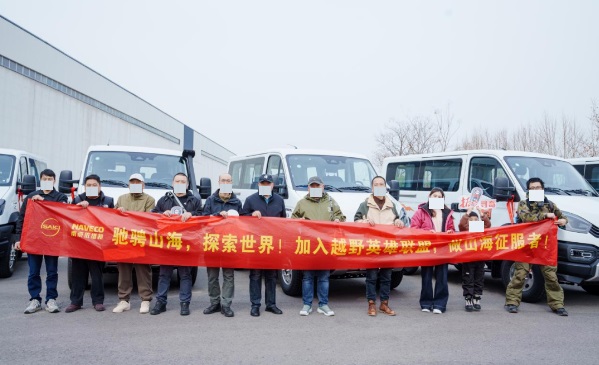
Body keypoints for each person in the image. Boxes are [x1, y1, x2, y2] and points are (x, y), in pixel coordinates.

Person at [505, 177, 569, 316]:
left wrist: (563, 220)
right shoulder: (523, 204)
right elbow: (527, 217)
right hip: (527, 245)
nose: (535, 190)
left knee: (551, 276)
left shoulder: (550, 204)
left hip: (544, 247)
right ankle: (512, 302)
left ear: (542, 188)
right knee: (520, 275)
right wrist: (545, 215)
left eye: (538, 187)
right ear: (528, 190)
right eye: (532, 188)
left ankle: (557, 304)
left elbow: (563, 217)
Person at [354, 176, 410, 316]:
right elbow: (356, 221)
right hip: (372, 246)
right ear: (372, 188)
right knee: (371, 277)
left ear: (385, 187)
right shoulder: (365, 204)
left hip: (387, 246)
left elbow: (398, 220)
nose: (379, 186)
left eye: (381, 184)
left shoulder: (392, 204)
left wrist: (398, 222)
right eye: (376, 184)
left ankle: (384, 304)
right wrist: (365, 221)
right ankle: (371, 304)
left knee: (386, 277)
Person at [15, 169, 68, 314]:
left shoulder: (60, 197)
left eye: (50, 179)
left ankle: (51, 299)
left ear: (54, 181)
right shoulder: (31, 197)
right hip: (34, 240)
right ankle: (34, 299)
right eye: (45, 178)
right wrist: (18, 239)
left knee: (52, 272)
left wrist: (44, 202)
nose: (47, 181)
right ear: (40, 180)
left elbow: (63, 211)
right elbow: (22, 218)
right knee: (33, 272)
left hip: (52, 241)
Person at [292, 176, 346, 317]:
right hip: (308, 244)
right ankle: (307, 304)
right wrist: (299, 221)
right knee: (307, 277)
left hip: (325, 244)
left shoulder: (331, 202)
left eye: (318, 186)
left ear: (323, 187)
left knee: (324, 276)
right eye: (312, 186)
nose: (315, 188)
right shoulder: (302, 203)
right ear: (308, 188)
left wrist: (337, 220)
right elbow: (292, 221)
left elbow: (342, 217)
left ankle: (323, 305)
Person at [150, 173, 202, 316]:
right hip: (168, 243)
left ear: (187, 184)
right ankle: (161, 302)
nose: (180, 183)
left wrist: (192, 215)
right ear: (172, 183)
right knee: (164, 274)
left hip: (186, 243)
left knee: (185, 274)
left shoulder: (194, 201)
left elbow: (203, 218)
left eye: (183, 181)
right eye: (177, 181)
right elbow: (152, 217)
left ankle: (185, 303)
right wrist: (162, 213)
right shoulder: (164, 199)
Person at [66, 174, 114, 313]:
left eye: (94, 185)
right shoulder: (77, 200)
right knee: (78, 274)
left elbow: (113, 221)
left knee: (97, 275)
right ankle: (75, 302)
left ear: (99, 187)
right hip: (80, 244)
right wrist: (77, 208)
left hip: (98, 245)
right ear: (85, 187)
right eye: (89, 185)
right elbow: (69, 218)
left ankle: (98, 301)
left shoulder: (108, 201)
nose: (92, 187)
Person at [241, 173, 286, 317]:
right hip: (256, 243)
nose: (265, 186)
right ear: (258, 185)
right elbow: (241, 220)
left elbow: (284, 222)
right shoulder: (250, 200)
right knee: (255, 275)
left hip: (272, 244)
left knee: (272, 276)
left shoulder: (279, 200)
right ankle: (255, 305)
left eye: (268, 183)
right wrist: (251, 215)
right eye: (263, 183)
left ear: (272, 185)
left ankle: (271, 304)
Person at [112, 173, 156, 314]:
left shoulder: (149, 200)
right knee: (123, 270)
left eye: (138, 182)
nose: (135, 185)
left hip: (141, 239)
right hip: (124, 239)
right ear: (129, 185)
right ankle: (124, 300)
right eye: (132, 182)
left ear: (143, 185)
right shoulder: (121, 198)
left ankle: (145, 300)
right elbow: (112, 217)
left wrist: (128, 214)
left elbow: (148, 219)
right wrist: (119, 212)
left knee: (143, 270)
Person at [202, 173, 242, 317]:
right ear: (219, 182)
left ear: (232, 182)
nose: (226, 182)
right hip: (212, 242)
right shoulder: (210, 200)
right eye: (223, 180)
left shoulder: (237, 202)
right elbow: (204, 220)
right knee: (212, 276)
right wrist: (218, 214)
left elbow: (243, 223)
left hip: (229, 243)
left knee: (228, 276)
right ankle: (214, 303)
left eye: (229, 180)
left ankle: (226, 305)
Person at [411, 187, 455, 314]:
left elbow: (452, 229)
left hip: (442, 248)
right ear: (430, 197)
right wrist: (426, 233)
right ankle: (426, 303)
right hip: (427, 248)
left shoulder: (447, 213)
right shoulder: (421, 212)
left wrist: (450, 232)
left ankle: (440, 305)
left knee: (442, 276)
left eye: (439, 196)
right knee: (426, 276)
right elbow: (414, 229)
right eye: (434, 196)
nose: (437, 198)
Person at [458, 206, 491, 312]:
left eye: (475, 220)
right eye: (471, 220)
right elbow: (461, 225)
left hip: (480, 258)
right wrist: (467, 213)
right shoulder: (466, 229)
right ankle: (468, 298)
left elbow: (488, 225)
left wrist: (481, 214)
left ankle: (477, 297)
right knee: (468, 278)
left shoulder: (480, 228)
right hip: (468, 258)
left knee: (479, 278)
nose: (473, 221)